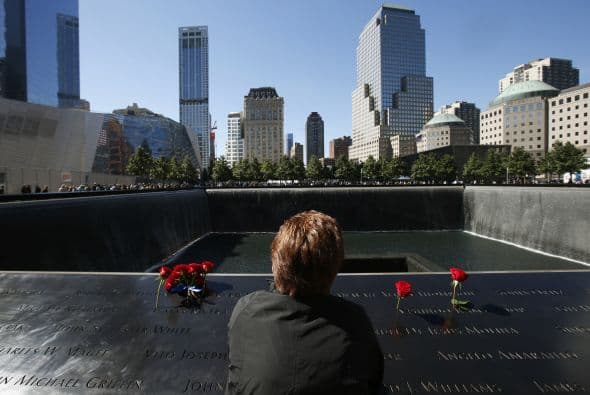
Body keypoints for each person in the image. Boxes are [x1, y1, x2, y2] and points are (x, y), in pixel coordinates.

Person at [226, 210, 383, 395]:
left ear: (276, 261)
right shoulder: (356, 322)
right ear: (334, 268)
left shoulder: (246, 309)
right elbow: (373, 380)